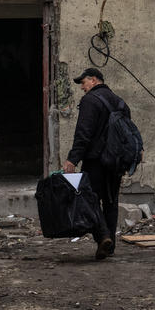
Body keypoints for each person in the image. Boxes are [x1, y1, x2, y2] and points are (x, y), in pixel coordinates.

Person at [63, 67, 132, 260]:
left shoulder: (90, 101)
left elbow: (83, 133)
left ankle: (103, 237)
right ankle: (109, 247)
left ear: (94, 80)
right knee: (110, 201)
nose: (82, 88)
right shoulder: (120, 102)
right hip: (116, 162)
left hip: (96, 161)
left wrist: (72, 159)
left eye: (83, 83)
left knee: (88, 199)